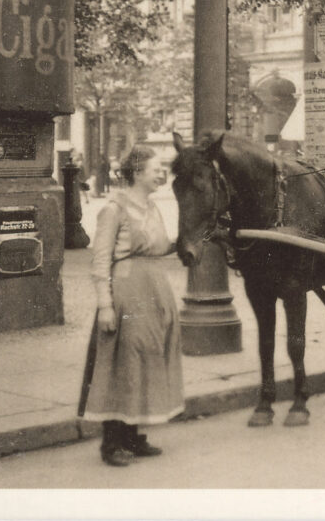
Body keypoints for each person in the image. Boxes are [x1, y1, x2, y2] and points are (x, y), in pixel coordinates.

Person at [78, 144, 184, 467]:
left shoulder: (151, 207)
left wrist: (190, 239)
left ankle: (134, 437)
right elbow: (100, 261)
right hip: (126, 290)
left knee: (147, 359)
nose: (161, 175)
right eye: (156, 170)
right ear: (137, 173)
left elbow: (160, 246)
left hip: (154, 291)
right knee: (123, 363)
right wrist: (105, 305)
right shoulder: (114, 209)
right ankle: (112, 443)